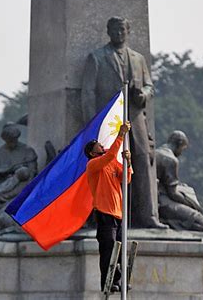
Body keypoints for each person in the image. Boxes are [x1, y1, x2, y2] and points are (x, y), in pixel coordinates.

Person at [82, 16, 168, 229]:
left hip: (135, 119)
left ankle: (147, 216)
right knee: (108, 165)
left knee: (141, 163)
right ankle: (106, 215)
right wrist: (92, 125)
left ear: (128, 31)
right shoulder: (97, 58)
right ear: (108, 32)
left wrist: (144, 95)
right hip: (109, 121)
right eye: (115, 30)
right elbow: (88, 94)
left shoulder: (138, 59)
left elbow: (149, 86)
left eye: (122, 30)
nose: (119, 34)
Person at [84, 121, 132, 292]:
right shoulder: (93, 164)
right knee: (108, 247)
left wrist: (128, 162)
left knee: (119, 248)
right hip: (104, 212)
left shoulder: (110, 162)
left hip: (118, 213)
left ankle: (119, 280)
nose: (101, 145)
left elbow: (125, 178)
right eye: (98, 145)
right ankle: (107, 281)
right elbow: (110, 156)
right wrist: (121, 134)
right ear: (91, 152)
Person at [156, 131, 203, 232]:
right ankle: (169, 223)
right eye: (182, 149)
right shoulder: (170, 159)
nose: (181, 153)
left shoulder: (156, 153)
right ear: (179, 144)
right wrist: (192, 204)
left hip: (158, 200)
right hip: (162, 203)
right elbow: (173, 193)